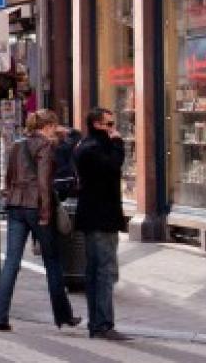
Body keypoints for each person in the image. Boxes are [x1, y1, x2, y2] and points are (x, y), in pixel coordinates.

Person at [0, 110, 79, 332]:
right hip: (37, 207)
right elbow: (43, 182)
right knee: (52, 261)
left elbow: (9, 177)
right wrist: (45, 213)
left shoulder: (17, 145)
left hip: (15, 205)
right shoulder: (46, 146)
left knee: (11, 261)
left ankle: (0, 316)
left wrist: (9, 198)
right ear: (49, 126)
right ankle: (63, 316)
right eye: (54, 126)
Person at [75, 106, 127, 341]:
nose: (113, 128)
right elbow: (112, 167)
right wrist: (118, 143)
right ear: (97, 124)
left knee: (97, 271)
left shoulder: (88, 145)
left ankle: (97, 323)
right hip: (100, 218)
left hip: (97, 216)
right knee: (104, 271)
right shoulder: (93, 148)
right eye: (109, 124)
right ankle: (103, 324)